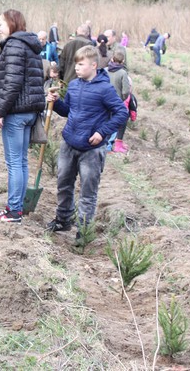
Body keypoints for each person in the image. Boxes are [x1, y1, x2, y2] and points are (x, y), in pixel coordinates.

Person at [45, 45, 128, 239]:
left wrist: (102, 132)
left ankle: (83, 229)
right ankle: (63, 219)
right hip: (69, 143)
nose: (76, 68)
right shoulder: (73, 85)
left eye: (81, 64)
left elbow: (121, 113)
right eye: (76, 64)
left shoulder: (105, 89)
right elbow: (69, 111)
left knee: (88, 191)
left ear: (93, 65)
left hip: (92, 149)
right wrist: (56, 102)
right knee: (63, 183)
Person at [0, 9, 45, 223]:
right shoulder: (31, 46)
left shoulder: (13, 46)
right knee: (21, 162)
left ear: (12, 23)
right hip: (29, 112)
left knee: (14, 163)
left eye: (1, 23)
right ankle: (17, 208)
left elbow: (11, 83)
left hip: (16, 113)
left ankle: (13, 211)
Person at [106, 51, 131, 153]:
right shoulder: (123, 73)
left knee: (105, 121)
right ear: (123, 61)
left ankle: (104, 144)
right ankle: (109, 146)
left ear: (112, 59)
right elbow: (126, 91)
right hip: (117, 102)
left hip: (105, 100)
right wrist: (122, 99)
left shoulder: (105, 70)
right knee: (116, 123)